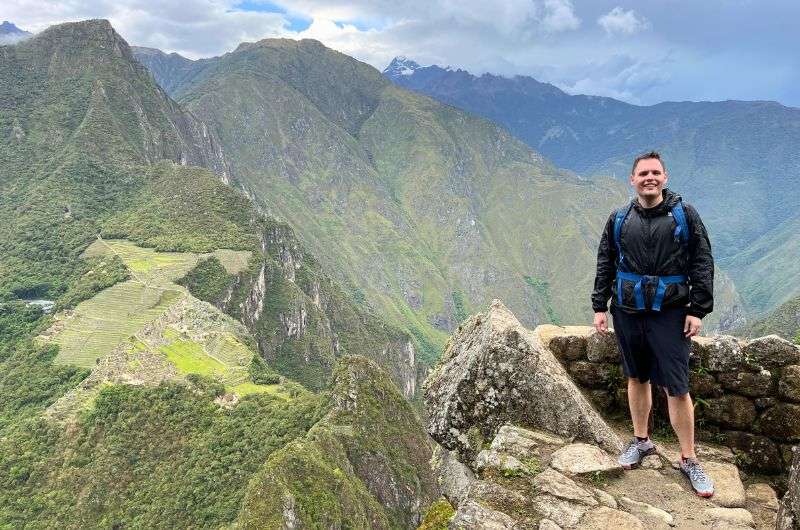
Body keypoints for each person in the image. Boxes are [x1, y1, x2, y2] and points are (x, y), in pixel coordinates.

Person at [591, 151, 715, 497]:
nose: (649, 178)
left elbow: (702, 261)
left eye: (655, 173)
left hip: (670, 312)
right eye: (643, 173)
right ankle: (641, 441)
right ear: (632, 179)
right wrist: (599, 305)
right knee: (636, 376)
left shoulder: (684, 216)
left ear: (665, 177)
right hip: (628, 310)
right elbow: (606, 262)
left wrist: (697, 309)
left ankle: (689, 458)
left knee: (676, 386)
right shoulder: (619, 218)